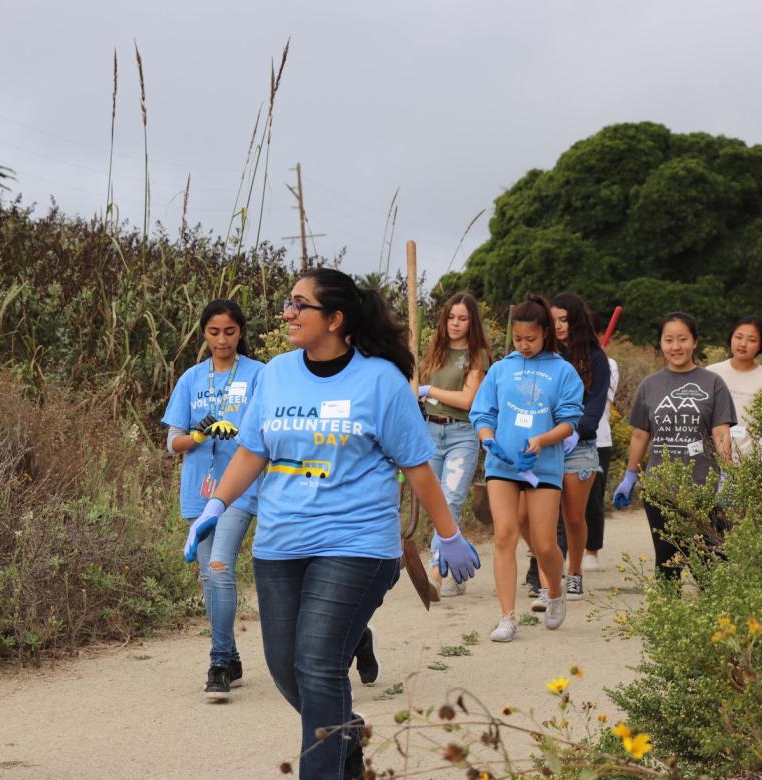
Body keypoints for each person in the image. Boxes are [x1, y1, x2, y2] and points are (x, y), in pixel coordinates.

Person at [184, 268, 481, 779]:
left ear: (336, 318)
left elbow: (416, 466)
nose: (288, 313)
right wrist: (217, 506)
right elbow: (253, 451)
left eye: (300, 304)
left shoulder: (381, 380)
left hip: (357, 541)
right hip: (281, 542)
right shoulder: (276, 373)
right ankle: (344, 732)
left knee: (318, 663)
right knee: (285, 669)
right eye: (288, 302)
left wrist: (449, 533)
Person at [162, 300, 264, 701]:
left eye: (230, 332)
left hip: (240, 490)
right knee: (209, 577)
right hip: (197, 492)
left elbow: (268, 432)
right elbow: (173, 442)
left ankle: (219, 662)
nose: (222, 340)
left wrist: (239, 432)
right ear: (204, 333)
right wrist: (199, 435)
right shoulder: (190, 379)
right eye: (214, 332)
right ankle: (233, 657)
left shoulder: (260, 375)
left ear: (241, 332)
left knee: (220, 565)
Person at [470, 295, 583, 642]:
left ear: (546, 333)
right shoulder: (502, 369)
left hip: (543, 467)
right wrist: (487, 438)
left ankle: (555, 589)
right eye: (518, 339)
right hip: (501, 465)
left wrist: (542, 440)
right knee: (504, 534)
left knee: (545, 544)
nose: (524, 345)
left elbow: (570, 422)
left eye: (531, 339)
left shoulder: (563, 371)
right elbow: (482, 413)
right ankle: (507, 617)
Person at [614, 312, 736, 578]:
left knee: (710, 563)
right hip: (662, 490)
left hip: (705, 490)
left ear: (695, 342)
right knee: (668, 562)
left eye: (682, 339)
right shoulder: (650, 385)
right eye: (669, 340)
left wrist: (727, 474)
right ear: (661, 343)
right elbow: (640, 435)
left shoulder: (713, 383)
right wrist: (630, 474)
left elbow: (721, 432)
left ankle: (716, 618)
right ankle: (668, 616)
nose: (675, 346)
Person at [527, 292, 610, 604]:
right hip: (541, 446)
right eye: (554, 319)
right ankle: (549, 580)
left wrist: (572, 431)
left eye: (564, 319)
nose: (559, 325)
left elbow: (594, 410)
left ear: (576, 320)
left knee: (574, 517)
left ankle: (574, 574)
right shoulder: (542, 355)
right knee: (537, 517)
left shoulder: (595, 359)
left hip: (579, 446)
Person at [416, 292, 491, 596]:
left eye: (462, 318)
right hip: (430, 432)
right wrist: (417, 391)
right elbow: (417, 387)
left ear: (471, 322)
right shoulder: (435, 349)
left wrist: (428, 389)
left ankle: (436, 572)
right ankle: (456, 571)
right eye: (451, 317)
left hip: (461, 433)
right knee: (435, 504)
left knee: (450, 501)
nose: (455, 323)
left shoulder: (477, 354)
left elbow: (467, 399)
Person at [707, 316, 762, 459]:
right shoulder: (711, 373)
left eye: (752, 340)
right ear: (731, 338)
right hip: (713, 460)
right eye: (738, 337)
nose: (743, 344)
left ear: (760, 346)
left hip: (752, 461)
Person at [583, 311, 619, 571]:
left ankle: (591, 549)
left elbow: (600, 401)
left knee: (593, 499)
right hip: (560, 439)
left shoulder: (608, 364)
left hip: (597, 439)